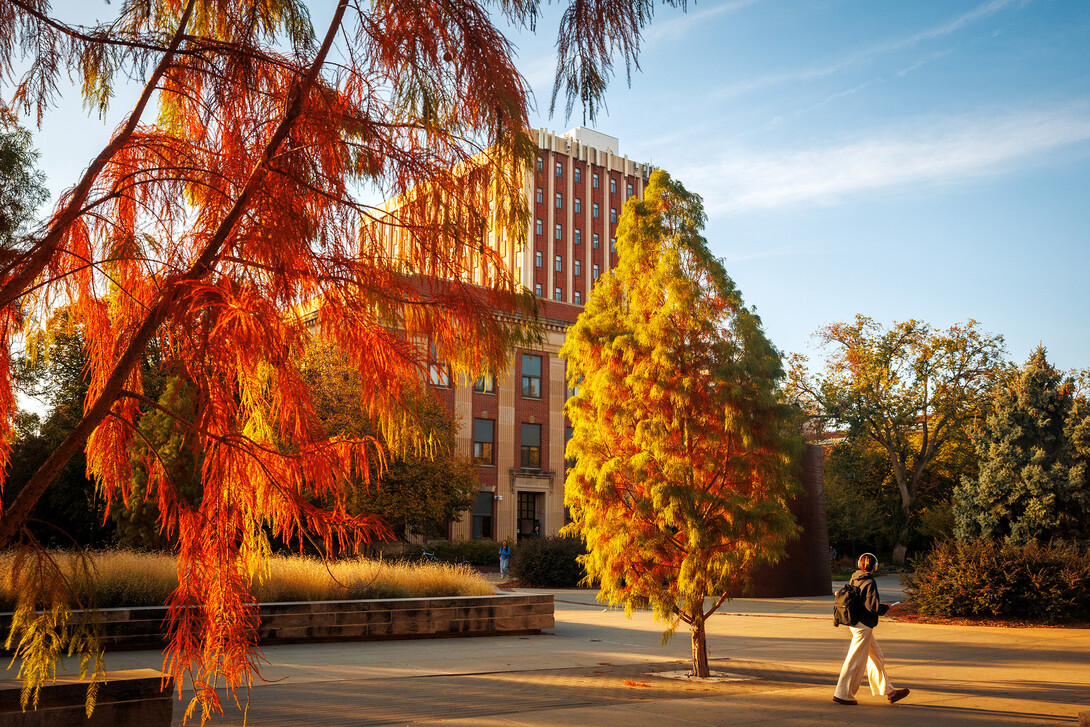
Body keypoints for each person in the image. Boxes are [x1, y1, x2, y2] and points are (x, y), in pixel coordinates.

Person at [833, 552, 910, 706]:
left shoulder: (855, 577)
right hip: (864, 626)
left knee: (877, 658)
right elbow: (872, 607)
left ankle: (890, 692)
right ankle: (843, 694)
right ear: (874, 566)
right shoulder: (870, 582)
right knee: (855, 660)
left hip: (855, 624)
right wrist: (886, 608)